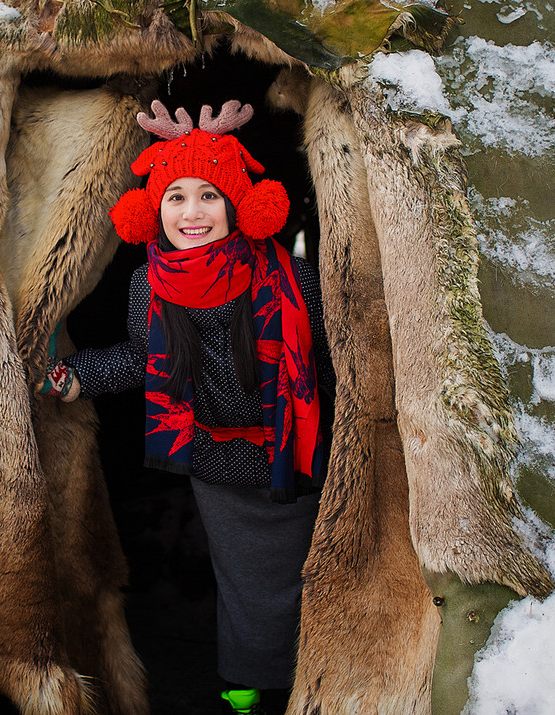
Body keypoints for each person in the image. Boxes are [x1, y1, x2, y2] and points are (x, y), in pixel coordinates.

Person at [39, 99, 334, 715]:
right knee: (244, 582)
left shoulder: (292, 278)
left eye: (208, 195)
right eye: (176, 196)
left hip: (295, 458)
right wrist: (79, 378)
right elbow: (143, 359)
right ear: (155, 209)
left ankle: (324, 678)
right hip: (214, 463)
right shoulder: (149, 282)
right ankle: (246, 682)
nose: (192, 212)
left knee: (312, 574)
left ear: (238, 205)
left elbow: (332, 370)